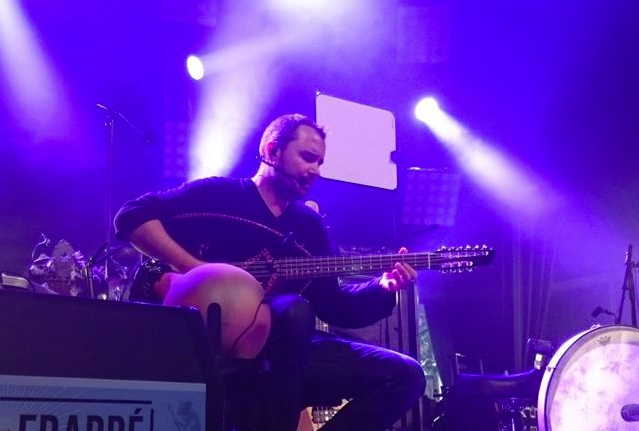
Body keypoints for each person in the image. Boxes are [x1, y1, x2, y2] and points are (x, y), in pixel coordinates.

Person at [114, 113, 426, 431]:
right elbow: (132, 217)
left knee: (405, 376)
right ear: (273, 150)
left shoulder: (309, 226)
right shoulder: (219, 196)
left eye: (320, 162)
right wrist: (200, 272)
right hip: (206, 349)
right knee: (294, 309)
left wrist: (382, 287)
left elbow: (335, 306)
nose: (315, 171)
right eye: (307, 158)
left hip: (285, 355)